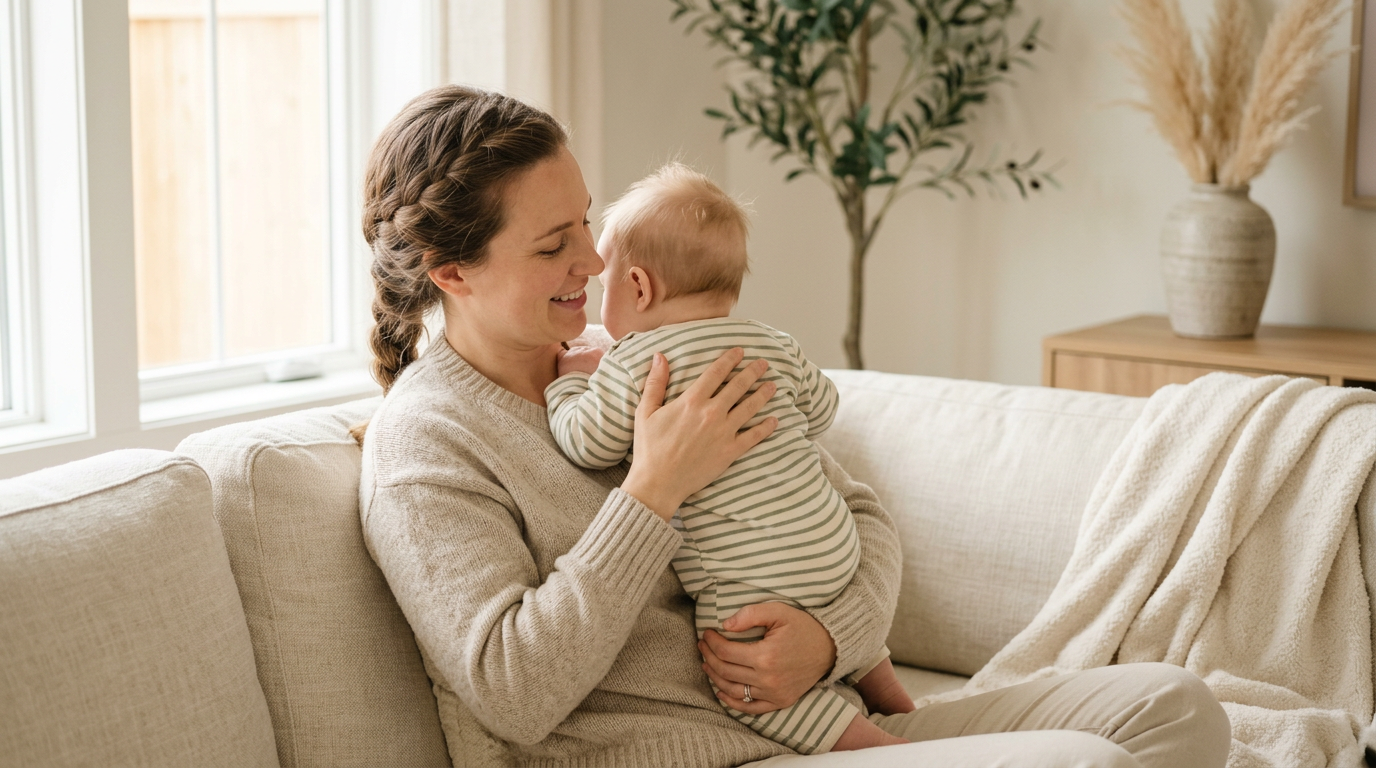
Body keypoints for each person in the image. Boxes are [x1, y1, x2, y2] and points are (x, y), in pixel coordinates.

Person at [356, 84, 1232, 767]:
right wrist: (652, 489)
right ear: (452, 273)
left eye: (586, 221)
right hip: (695, 757)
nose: (593, 261)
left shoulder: (632, 355)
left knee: (1173, 704)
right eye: (553, 245)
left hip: (821, 719)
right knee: (1084, 762)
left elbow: (859, 515)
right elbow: (512, 690)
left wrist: (828, 639)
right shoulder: (426, 443)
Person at [545, 162, 914, 754]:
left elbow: (587, 442)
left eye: (606, 279)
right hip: (835, 548)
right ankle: (891, 692)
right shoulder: (770, 340)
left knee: (741, 677)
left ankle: (869, 745)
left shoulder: (636, 363)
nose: (590, 278)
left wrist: (568, 385)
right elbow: (823, 408)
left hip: (751, 577)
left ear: (638, 288)